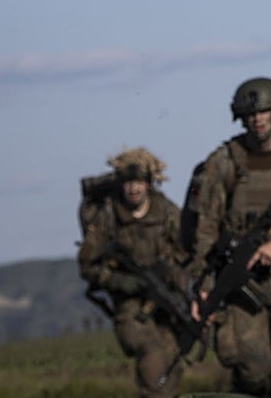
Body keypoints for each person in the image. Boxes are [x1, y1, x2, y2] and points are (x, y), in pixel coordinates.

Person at [184, 76, 271, 398]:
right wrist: (202, 285)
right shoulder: (223, 163)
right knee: (253, 371)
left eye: (264, 112)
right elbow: (205, 231)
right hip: (240, 281)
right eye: (250, 114)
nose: (257, 119)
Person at [77, 147, 189, 398]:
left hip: (165, 301)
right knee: (151, 353)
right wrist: (121, 281)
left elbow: (186, 254)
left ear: (149, 183)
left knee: (172, 356)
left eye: (139, 181)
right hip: (128, 307)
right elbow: (88, 266)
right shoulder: (107, 217)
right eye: (128, 182)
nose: (133, 188)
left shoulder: (167, 213)